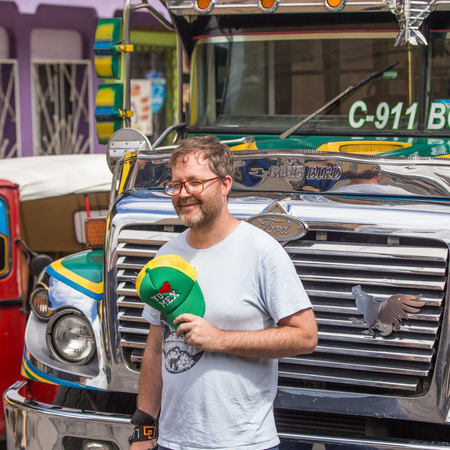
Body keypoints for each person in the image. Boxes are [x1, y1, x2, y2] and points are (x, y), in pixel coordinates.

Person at [131, 136, 318, 450]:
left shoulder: (262, 252)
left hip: (244, 443)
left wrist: (220, 339)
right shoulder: (166, 257)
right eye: (175, 185)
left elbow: (305, 336)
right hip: (172, 442)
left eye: (194, 182)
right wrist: (143, 428)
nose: (183, 194)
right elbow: (154, 348)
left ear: (225, 184)